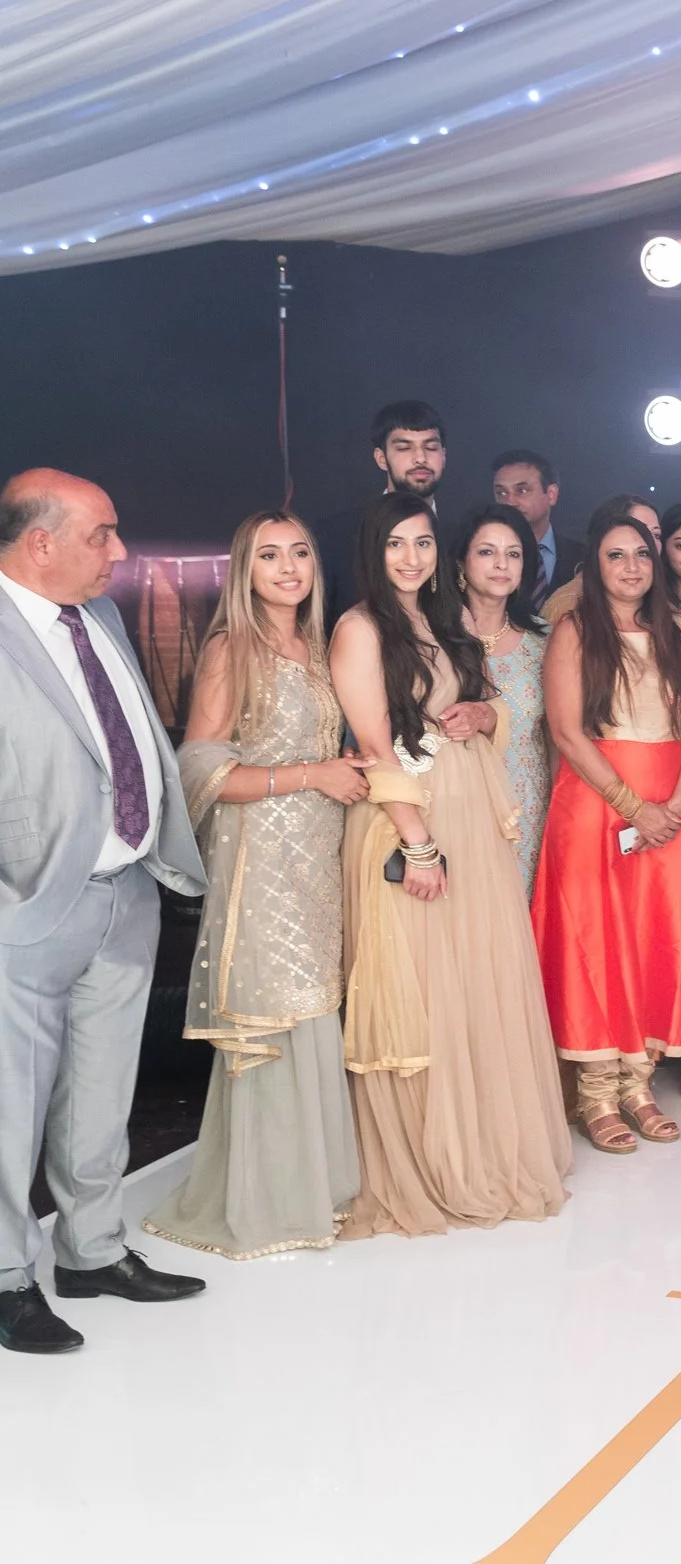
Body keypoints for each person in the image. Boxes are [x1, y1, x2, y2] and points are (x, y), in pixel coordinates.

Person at [0, 470, 207, 1355]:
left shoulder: (104, 618)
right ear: (39, 542)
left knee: (102, 1097)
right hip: (27, 904)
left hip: (126, 896)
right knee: (10, 1105)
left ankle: (90, 1250)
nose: (120, 553)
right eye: (103, 535)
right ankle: (8, 1276)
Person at [331, 493, 571, 1237]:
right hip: (415, 824)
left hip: (473, 817)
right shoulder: (360, 626)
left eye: (424, 542)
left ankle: (487, 1145)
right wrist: (417, 840)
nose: (412, 557)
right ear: (374, 549)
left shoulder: (438, 621)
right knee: (424, 989)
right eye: (397, 543)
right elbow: (373, 745)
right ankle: (429, 1162)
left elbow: (483, 708)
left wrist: (486, 715)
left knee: (474, 984)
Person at [145, 512, 368, 1261]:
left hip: (317, 856)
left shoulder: (312, 645)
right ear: (244, 568)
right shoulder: (229, 647)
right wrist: (311, 775)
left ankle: (311, 1186)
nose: (287, 567)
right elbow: (199, 769)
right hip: (262, 859)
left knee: (314, 1009)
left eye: (300, 551)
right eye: (268, 555)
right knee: (273, 1017)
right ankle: (267, 1200)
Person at [535, 512, 681, 1154]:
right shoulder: (574, 631)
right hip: (596, 808)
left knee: (653, 940)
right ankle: (595, 1092)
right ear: (596, 565)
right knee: (597, 941)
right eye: (616, 556)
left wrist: (673, 805)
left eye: (641, 556)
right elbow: (567, 731)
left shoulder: (675, 631)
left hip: (666, 812)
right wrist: (632, 806)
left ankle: (639, 1083)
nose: (630, 568)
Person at [450, 504, 551, 885]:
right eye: (486, 552)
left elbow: (557, 734)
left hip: (526, 803)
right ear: (462, 562)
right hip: (454, 802)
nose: (501, 564)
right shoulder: (433, 635)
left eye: (513, 554)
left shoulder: (545, 639)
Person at [315, 400, 447, 612]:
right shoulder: (337, 534)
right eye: (405, 448)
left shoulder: (464, 538)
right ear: (381, 458)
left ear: (443, 456)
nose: (420, 458)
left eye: (431, 447)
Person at [540, 496, 660, 626]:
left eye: (657, 535)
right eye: (639, 531)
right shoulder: (567, 608)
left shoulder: (664, 600)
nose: (651, 543)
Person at [490, 451, 583, 615]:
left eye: (522, 490)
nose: (510, 502)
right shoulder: (483, 559)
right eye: (501, 493)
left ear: (551, 494)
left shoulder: (584, 558)